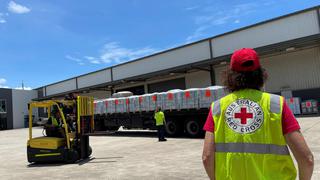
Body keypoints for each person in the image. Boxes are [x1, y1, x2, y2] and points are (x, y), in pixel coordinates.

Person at [202, 48, 314, 180]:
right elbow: (307, 159)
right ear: (260, 74)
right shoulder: (276, 104)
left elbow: (207, 157)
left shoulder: (217, 108)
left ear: (230, 76)